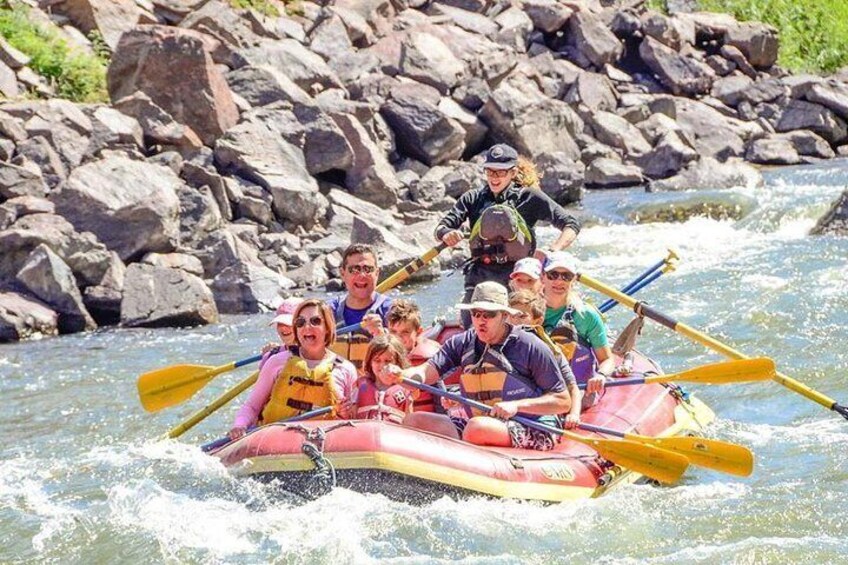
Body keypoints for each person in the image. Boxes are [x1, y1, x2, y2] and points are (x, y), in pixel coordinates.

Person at [385, 282, 572, 451]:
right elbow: (425, 373)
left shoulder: (529, 346)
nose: (481, 320)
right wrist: (402, 375)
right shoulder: (461, 343)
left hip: (532, 425)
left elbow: (563, 401)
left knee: (477, 428)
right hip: (479, 424)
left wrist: (517, 405)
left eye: (489, 314)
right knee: (414, 421)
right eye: (475, 314)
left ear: (504, 315)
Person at [435, 144, 581, 327]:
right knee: (471, 325)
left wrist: (553, 250)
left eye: (501, 172)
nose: (494, 177)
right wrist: (447, 233)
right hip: (481, 276)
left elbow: (571, 224)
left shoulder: (529, 198)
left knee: (519, 325)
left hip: (520, 278)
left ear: (512, 173)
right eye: (490, 171)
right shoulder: (473, 198)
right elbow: (441, 228)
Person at [228, 299, 358, 440]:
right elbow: (252, 407)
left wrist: (346, 414)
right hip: (275, 441)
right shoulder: (276, 362)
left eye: (315, 321)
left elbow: (352, 419)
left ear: (327, 327)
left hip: (324, 443)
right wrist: (239, 426)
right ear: (296, 329)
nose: (307, 327)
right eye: (300, 323)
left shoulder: (345, 369)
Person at [507, 290, 584, 427]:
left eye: (522, 317)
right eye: (510, 316)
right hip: (506, 409)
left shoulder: (550, 351)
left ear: (538, 320)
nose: (514, 322)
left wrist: (574, 414)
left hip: (537, 416)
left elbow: (572, 387)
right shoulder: (498, 345)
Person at [541, 252, 613, 399]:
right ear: (543, 276)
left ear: (573, 279)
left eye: (566, 276)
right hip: (540, 389)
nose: (559, 281)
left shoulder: (586, 315)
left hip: (578, 390)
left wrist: (601, 375)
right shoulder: (528, 310)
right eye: (553, 275)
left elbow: (607, 359)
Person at [327, 243, 393, 371]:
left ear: (377, 273)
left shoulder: (390, 311)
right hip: (336, 385)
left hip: (375, 387)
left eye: (368, 269)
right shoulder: (329, 311)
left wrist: (381, 335)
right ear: (342, 273)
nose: (362, 275)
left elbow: (402, 353)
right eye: (354, 269)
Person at [386, 299, 442, 412]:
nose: (398, 337)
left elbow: (439, 399)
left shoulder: (427, 361)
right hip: (394, 420)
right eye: (393, 332)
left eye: (405, 332)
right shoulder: (381, 360)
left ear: (419, 332)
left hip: (424, 419)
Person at [355, 334, 416, 424]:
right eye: (377, 360)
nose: (383, 366)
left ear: (397, 362)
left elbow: (409, 423)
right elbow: (350, 416)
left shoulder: (406, 389)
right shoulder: (359, 386)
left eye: (388, 361)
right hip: (366, 435)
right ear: (370, 362)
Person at [258, 296, 303, 371]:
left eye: (288, 323)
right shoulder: (271, 356)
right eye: (280, 323)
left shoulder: (319, 353)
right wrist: (267, 359)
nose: (283, 328)